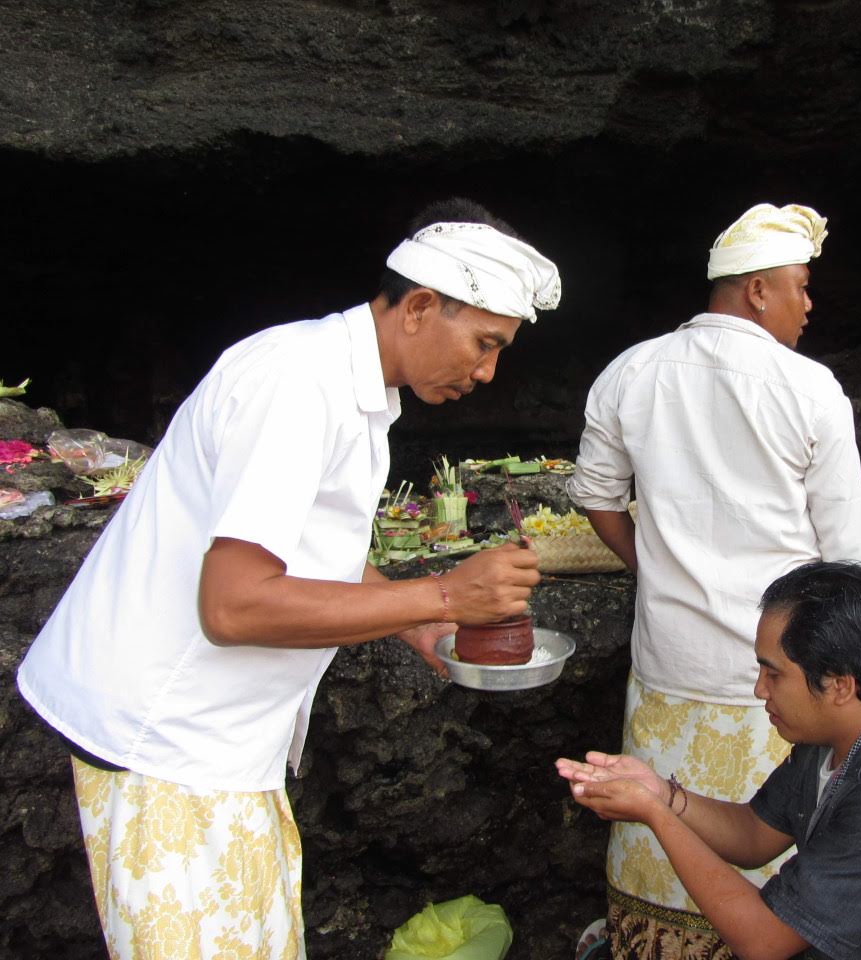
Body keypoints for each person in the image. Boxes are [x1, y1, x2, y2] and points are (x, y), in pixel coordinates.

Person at [16, 199, 557, 959]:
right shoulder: (298, 385)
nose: (488, 372)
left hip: (227, 748)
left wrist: (415, 623)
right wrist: (444, 594)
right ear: (421, 307)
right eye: (484, 343)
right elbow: (232, 607)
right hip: (167, 748)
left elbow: (313, 546)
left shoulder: (352, 389)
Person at [565, 203, 861, 956]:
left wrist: (653, 566)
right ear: (758, 290)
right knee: (773, 838)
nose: (810, 304)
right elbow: (848, 561)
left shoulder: (630, 371)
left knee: (656, 821)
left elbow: (595, 496)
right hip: (785, 678)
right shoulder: (810, 389)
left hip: (670, 661)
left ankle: (645, 943)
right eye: (800, 286)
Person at [558, 561, 861, 960]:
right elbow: (755, 835)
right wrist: (664, 793)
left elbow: (762, 940)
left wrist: (654, 815)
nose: (760, 689)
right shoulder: (843, 732)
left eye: (774, 673)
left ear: (839, 684)